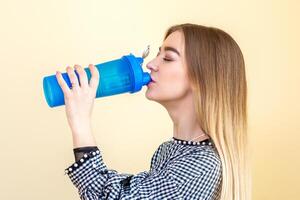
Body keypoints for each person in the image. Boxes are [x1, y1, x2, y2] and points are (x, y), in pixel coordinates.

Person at [56, 23, 250, 200]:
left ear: (202, 79)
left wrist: (80, 122)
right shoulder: (169, 151)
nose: (151, 64)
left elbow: (109, 197)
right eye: (158, 54)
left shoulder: (203, 165)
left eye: (167, 58)